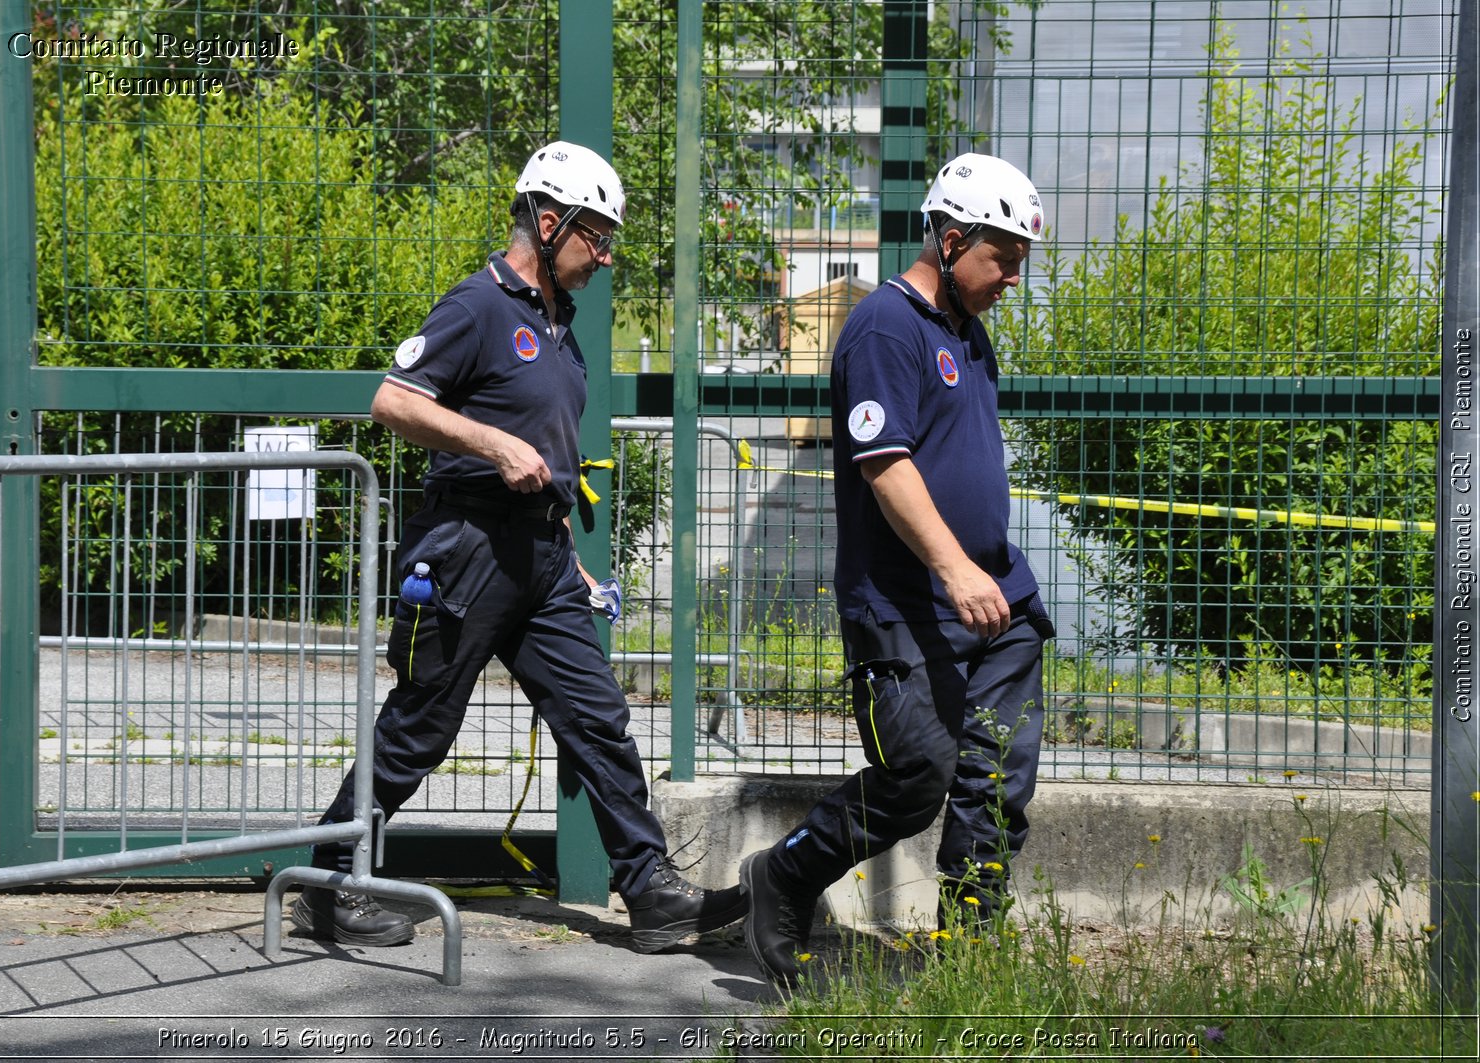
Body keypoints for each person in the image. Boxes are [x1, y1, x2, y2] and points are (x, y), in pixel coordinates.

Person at [293, 141, 745, 951]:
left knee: (598, 716)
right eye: (594, 236)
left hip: (541, 558)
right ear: (547, 222)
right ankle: (331, 881)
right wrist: (492, 446)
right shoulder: (478, 305)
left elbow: (549, 442)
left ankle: (650, 893)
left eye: (607, 239)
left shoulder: (558, 326)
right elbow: (392, 402)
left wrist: (564, 543)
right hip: (467, 546)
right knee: (421, 724)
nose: (604, 255)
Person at [738, 153, 1056, 987]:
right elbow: (885, 464)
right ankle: (786, 874)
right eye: (1003, 259)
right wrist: (954, 568)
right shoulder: (885, 326)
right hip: (908, 602)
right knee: (919, 775)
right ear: (952, 242)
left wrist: (980, 574)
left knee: (995, 781)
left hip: (999, 600)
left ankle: (969, 962)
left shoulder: (966, 333)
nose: (1011, 279)